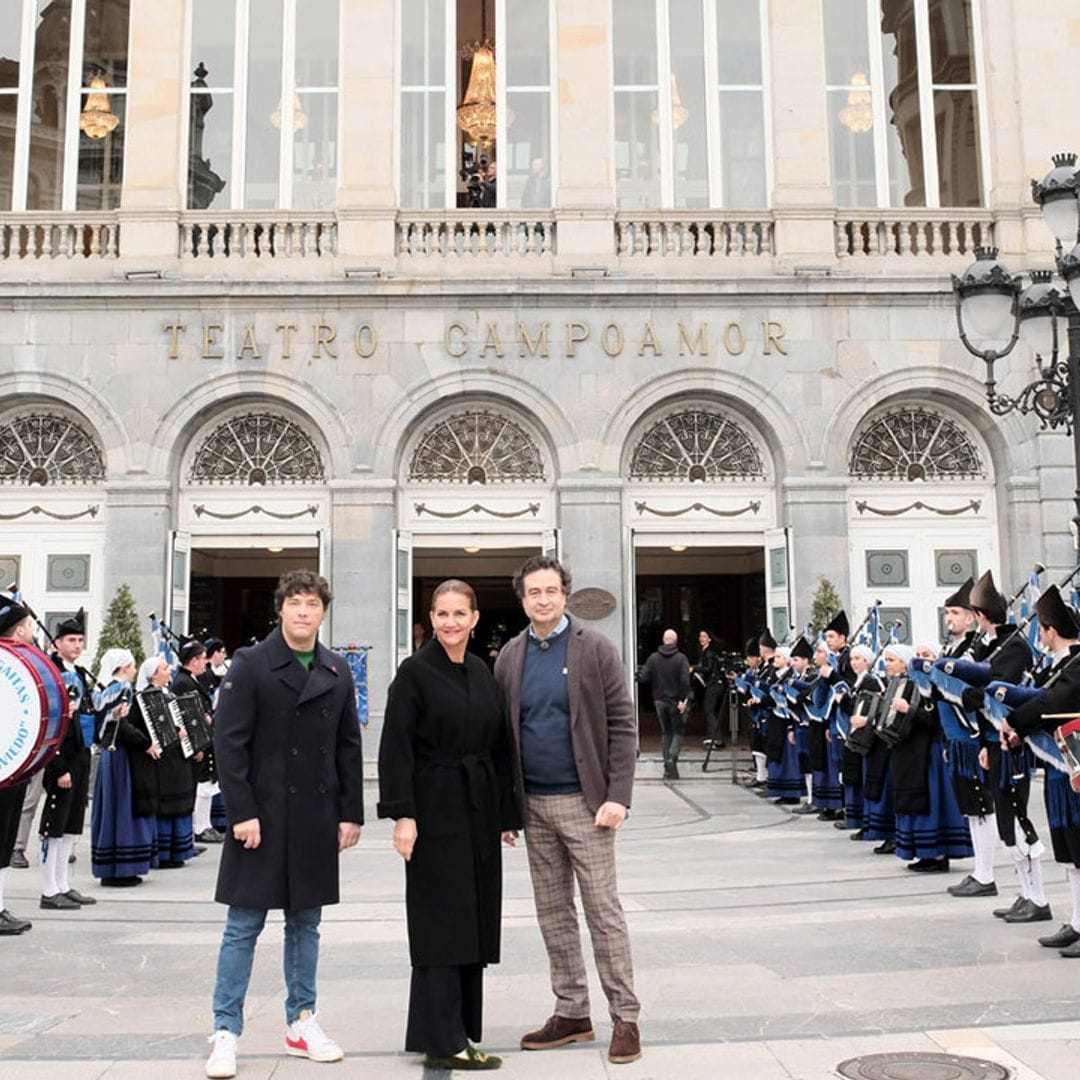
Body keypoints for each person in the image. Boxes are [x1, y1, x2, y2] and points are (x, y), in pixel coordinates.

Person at [206, 570, 364, 1080]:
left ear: (323, 610)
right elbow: (228, 745)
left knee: (306, 925)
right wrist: (241, 812)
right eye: (294, 602)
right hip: (262, 816)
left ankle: (301, 1020)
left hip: (316, 817)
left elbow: (347, 747)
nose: (303, 612)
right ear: (280, 609)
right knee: (243, 926)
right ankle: (225, 1030)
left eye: (312, 604)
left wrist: (350, 812)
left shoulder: (337, 669)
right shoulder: (250, 665)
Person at [493, 555, 642, 1066]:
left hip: (588, 803)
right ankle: (572, 1011)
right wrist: (505, 811)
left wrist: (618, 795)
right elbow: (501, 738)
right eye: (533, 592)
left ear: (565, 594)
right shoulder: (510, 656)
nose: (543, 599)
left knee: (603, 912)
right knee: (553, 914)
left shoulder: (594, 648)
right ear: (522, 599)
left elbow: (623, 723)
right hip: (532, 805)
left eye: (551, 590)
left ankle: (625, 1016)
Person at [379, 579, 520, 1071]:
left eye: (460, 613)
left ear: (475, 618)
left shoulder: (483, 672)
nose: (451, 622)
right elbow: (395, 748)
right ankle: (445, 1037)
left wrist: (505, 815)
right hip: (433, 810)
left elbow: (500, 747)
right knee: (441, 923)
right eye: (442, 614)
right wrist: (403, 815)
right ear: (430, 619)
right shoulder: (414, 672)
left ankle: (454, 1029)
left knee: (472, 920)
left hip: (478, 811)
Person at [38, 613, 96, 911]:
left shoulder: (80, 672)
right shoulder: (51, 672)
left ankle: (63, 884)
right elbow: (50, 721)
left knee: (72, 824)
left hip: (81, 754)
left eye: (80, 640)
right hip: (62, 757)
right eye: (71, 640)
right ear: (57, 643)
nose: (77, 645)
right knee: (55, 824)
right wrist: (57, 764)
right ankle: (49, 890)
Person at [90, 649, 157, 887]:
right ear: (124, 667)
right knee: (123, 809)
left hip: (108, 755)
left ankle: (109, 867)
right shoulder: (123, 689)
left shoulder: (101, 691)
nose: (135, 670)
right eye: (132, 666)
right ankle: (124, 868)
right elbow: (123, 727)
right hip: (121, 755)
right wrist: (146, 743)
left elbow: (100, 727)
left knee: (110, 808)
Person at [0, 594, 37, 934]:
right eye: (26, 627)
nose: (31, 632)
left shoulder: (19, 667)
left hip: (12, 769)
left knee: (4, 838)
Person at [638, 629, 690, 780]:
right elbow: (685, 681)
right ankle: (672, 759)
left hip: (659, 701)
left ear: (663, 640)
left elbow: (644, 678)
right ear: (676, 641)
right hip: (675, 701)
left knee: (666, 732)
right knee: (678, 732)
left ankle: (667, 768)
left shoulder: (653, 658)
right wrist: (682, 699)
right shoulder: (681, 659)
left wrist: (639, 676)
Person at [692, 629, 725, 749]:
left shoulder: (709, 653)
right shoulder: (705, 652)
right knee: (709, 710)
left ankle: (716, 738)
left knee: (709, 710)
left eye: (704, 636)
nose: (701, 638)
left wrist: (694, 668)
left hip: (714, 684)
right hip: (712, 684)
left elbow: (709, 669)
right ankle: (715, 737)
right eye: (700, 636)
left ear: (709, 639)